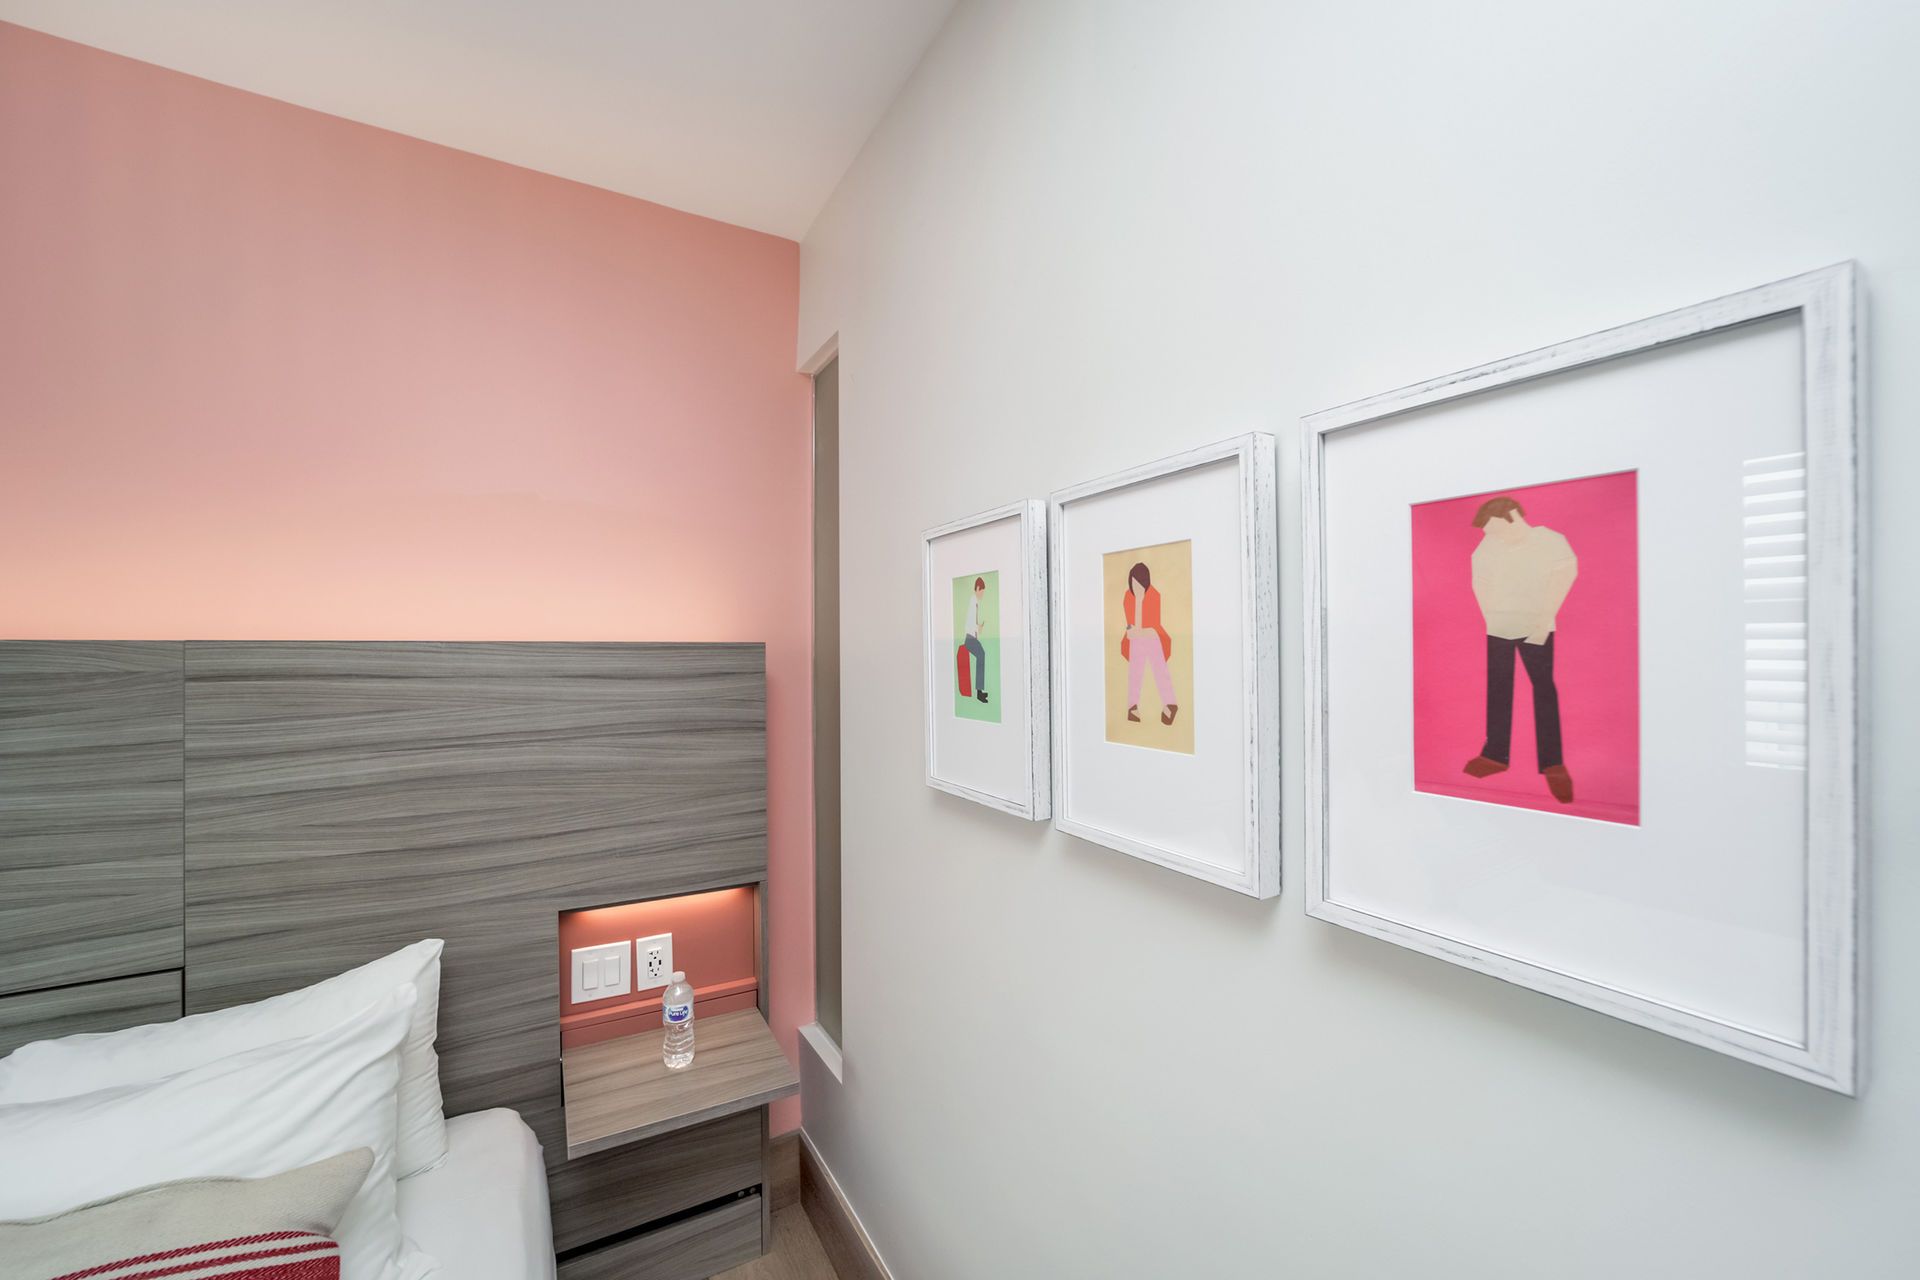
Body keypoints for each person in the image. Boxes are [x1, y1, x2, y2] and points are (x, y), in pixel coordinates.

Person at [1462, 496, 1578, 803]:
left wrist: (1543, 619)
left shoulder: (1551, 541)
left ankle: (1552, 764)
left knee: (1543, 689)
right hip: (1498, 627)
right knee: (1498, 687)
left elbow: (1565, 577)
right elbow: (1480, 581)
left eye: (1495, 529)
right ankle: (1495, 755)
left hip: (1537, 625)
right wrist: (1492, 617)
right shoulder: (1489, 546)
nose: (1492, 537)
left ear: (1513, 515)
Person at [1121, 562, 1178, 726]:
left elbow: (1152, 628)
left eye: (1137, 583)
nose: (1134, 587)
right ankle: (1132, 706)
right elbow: (1132, 625)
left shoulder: (1154, 595)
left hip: (1154, 637)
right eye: (1132, 583)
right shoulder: (1127, 597)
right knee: (1135, 663)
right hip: (1137, 638)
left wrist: (1140, 600)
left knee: (1158, 665)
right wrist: (1137, 601)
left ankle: (1169, 703)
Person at [963, 577, 989, 704]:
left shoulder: (974, 602)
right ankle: (979, 692)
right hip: (969, 639)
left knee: (981, 655)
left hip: (971, 637)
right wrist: (977, 627)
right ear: (978, 589)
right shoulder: (973, 602)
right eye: (982, 591)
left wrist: (978, 628)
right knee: (982, 655)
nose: (982, 594)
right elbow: (968, 624)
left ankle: (979, 691)